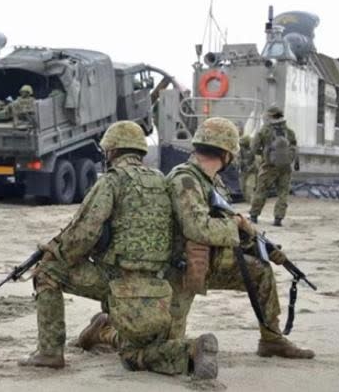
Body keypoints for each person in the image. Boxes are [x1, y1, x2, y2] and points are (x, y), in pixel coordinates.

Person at [78, 117, 314, 360]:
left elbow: (219, 222)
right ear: (228, 153)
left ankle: (272, 340)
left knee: (260, 271)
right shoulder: (185, 180)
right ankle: (104, 332)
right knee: (160, 346)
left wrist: (252, 239)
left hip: (211, 262)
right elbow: (198, 229)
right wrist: (235, 225)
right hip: (179, 270)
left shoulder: (211, 181)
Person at [18, 120, 219, 379]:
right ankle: (190, 350)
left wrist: (57, 253)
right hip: (158, 288)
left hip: (116, 282)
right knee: (134, 350)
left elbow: (85, 231)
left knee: (47, 272)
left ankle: (49, 353)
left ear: (111, 151)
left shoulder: (112, 181)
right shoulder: (162, 181)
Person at [249, 106, 298, 226]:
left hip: (269, 166)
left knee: (261, 190)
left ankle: (254, 216)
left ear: (270, 115)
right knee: (283, 193)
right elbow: (295, 148)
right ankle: (278, 219)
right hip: (285, 167)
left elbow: (253, 147)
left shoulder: (264, 130)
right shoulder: (289, 132)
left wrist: (264, 154)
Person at [239, 135, 258, 203]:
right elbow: (239, 159)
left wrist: (251, 167)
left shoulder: (253, 149)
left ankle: (252, 201)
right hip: (243, 170)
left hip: (252, 170)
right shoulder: (241, 149)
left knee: (249, 186)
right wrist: (243, 162)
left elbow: (256, 160)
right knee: (242, 188)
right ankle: (248, 200)